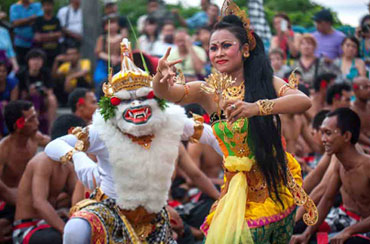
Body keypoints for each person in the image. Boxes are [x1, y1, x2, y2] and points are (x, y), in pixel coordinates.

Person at [153, 0, 316, 242]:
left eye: (226, 46)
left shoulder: (265, 82)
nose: (218, 53)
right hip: (235, 190)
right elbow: (168, 95)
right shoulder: (207, 90)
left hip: (271, 187)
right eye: (213, 48)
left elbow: (303, 101)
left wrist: (256, 108)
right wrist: (159, 78)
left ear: (245, 49)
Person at [44, 38, 221, 243]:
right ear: (113, 105)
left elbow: (211, 134)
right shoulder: (103, 129)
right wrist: (78, 158)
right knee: (76, 228)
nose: (136, 104)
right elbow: (53, 145)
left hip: (154, 216)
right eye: (126, 99)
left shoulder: (168, 121)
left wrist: (237, 159)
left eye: (142, 97)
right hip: (110, 211)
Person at [290, 108, 370, 244]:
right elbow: (327, 199)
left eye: (328, 133)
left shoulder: (367, 166)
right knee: (300, 235)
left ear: (346, 136)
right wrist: (306, 234)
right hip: (349, 220)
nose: (323, 140)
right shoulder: (340, 164)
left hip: (363, 228)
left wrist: (349, 231)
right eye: (322, 133)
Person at [12, 114, 82, 244]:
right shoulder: (43, 161)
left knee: (85, 229)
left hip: (47, 224)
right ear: (71, 134)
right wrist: (65, 230)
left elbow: (78, 198)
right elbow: (39, 203)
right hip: (26, 228)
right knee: (58, 238)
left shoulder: (67, 165)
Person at [0, 101, 49, 226]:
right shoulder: (3, 150)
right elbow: (3, 190)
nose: (37, 123)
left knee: (62, 197)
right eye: (31, 120)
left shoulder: (35, 138)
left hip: (31, 196)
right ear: (19, 124)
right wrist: (25, 202)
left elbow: (56, 142)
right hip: (9, 202)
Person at [16, 48, 58, 134]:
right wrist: (29, 92)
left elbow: (50, 91)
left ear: (42, 62)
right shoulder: (22, 74)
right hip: (26, 100)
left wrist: (43, 90)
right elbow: (19, 95)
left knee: (52, 99)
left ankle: (51, 129)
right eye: (33, 59)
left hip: (43, 99)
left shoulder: (45, 73)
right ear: (28, 61)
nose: (36, 62)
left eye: (39, 59)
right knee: (34, 98)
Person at [9, 0, 43, 66]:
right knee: (22, 65)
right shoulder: (14, 7)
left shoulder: (38, 5)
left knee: (36, 65)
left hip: (36, 43)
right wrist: (31, 18)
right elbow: (15, 23)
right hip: (20, 43)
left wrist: (22, 22)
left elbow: (40, 19)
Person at [94, 15, 123, 87]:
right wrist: (110, 58)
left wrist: (118, 59)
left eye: (114, 23)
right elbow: (99, 52)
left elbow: (127, 51)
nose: (111, 25)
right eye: (109, 23)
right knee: (100, 79)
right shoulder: (102, 38)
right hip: (104, 64)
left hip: (120, 63)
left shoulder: (122, 38)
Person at [33, 0, 62, 69]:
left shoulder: (56, 20)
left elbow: (59, 35)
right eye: (45, 5)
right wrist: (52, 35)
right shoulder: (38, 20)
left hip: (55, 52)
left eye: (49, 5)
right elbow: (37, 37)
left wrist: (44, 36)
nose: (47, 7)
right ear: (42, 7)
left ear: (52, 6)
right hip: (42, 53)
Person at [351, 77, 370, 151]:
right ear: (355, 90)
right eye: (365, 87)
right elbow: (357, 134)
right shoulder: (352, 111)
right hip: (360, 148)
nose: (369, 90)